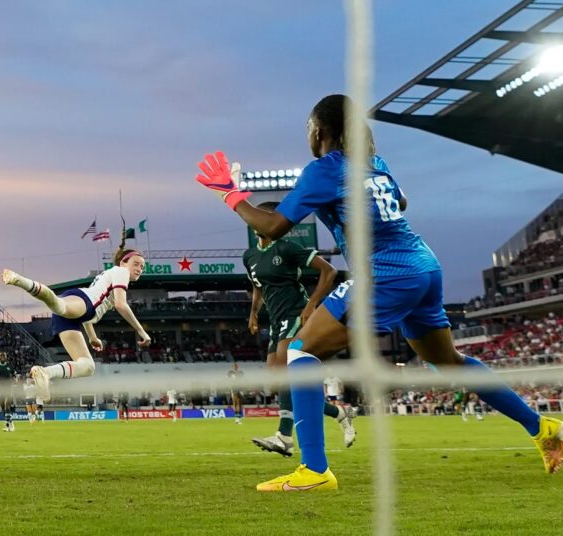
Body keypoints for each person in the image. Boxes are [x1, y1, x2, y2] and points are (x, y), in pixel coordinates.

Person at [195, 93, 562, 492]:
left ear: (318, 132)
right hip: (424, 266)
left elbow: (274, 226)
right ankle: (543, 427)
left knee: (300, 352)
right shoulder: (375, 163)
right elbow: (400, 201)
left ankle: (315, 472)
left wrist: (228, 194)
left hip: (386, 273)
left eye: (308, 129)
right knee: (450, 361)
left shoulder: (325, 170)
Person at [243, 205, 355, 456]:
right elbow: (257, 286)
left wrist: (311, 304)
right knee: (278, 383)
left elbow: (329, 271)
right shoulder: (249, 256)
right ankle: (339, 412)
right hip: (275, 320)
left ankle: (284, 436)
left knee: (285, 371)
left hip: (295, 313)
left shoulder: (286, 247)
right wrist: (253, 313)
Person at [2, 229, 150, 402]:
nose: (140, 268)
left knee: (87, 366)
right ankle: (18, 279)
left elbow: (92, 310)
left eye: (142, 266)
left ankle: (45, 373)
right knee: (59, 305)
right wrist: (142, 332)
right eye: (136, 264)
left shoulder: (114, 274)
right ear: (124, 262)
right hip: (84, 302)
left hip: (81, 313)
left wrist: (93, 337)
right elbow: (120, 304)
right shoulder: (121, 272)